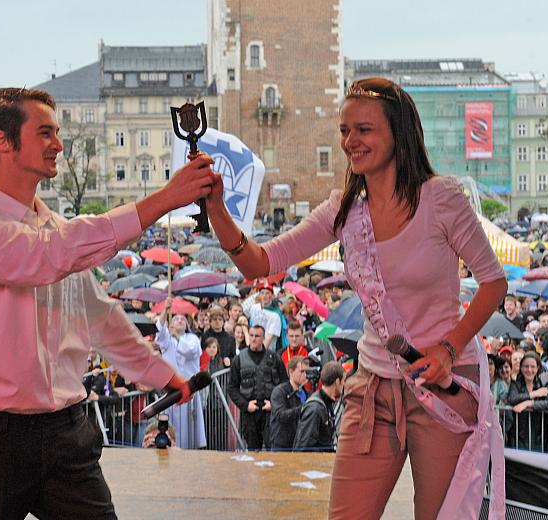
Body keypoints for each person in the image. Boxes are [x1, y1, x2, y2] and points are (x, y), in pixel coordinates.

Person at [207, 77, 508, 519]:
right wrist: (217, 209)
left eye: (363, 130)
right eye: (345, 130)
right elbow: (261, 262)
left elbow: (494, 282)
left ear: (398, 131)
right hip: (373, 390)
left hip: (441, 387)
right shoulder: (344, 208)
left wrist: (448, 348)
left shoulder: (441, 199)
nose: (350, 141)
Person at [0, 87, 214, 519]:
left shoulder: (56, 230)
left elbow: (100, 318)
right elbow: (48, 256)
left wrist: (162, 374)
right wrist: (164, 199)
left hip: (66, 433)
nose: (59, 145)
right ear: (2, 141)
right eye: (45, 132)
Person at [154, 298, 206, 449]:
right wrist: (165, 310)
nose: (179, 320)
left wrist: (176, 335)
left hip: (188, 391)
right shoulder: (168, 340)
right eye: (176, 318)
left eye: (182, 319)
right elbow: (160, 331)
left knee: (188, 432)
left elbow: (189, 351)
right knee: (172, 430)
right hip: (171, 391)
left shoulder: (193, 339)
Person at [227, 325, 288, 450]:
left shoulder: (274, 358)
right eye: (251, 335)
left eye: (257, 336)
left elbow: (285, 384)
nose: (254, 339)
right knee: (253, 451)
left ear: (263, 338)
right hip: (250, 413)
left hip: (270, 412)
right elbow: (232, 388)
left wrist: (274, 403)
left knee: (273, 450)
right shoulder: (239, 359)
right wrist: (245, 405)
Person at [293, 361, 345, 452]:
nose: (344, 384)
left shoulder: (326, 404)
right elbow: (304, 448)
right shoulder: (315, 409)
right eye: (344, 380)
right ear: (337, 381)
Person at [507, 352, 548, 451]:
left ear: (538, 368)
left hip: (539, 433)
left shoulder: (543, 384)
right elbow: (512, 399)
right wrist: (533, 394)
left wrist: (529, 403)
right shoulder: (516, 384)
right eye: (526, 366)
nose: (529, 370)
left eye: (533, 367)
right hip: (519, 433)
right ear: (521, 368)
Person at [269, 355, 309, 450]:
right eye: (301, 371)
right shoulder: (279, 391)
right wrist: (302, 409)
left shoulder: (306, 393)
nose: (305, 375)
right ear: (291, 372)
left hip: (299, 442)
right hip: (281, 443)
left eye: (306, 372)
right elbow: (281, 415)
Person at [241, 281, 282, 350]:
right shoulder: (254, 307)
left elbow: (270, 337)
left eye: (267, 293)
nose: (264, 296)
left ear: (272, 296)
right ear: (259, 295)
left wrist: (260, 352)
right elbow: (243, 311)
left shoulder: (275, 315)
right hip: (252, 346)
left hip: (267, 350)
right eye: (262, 293)